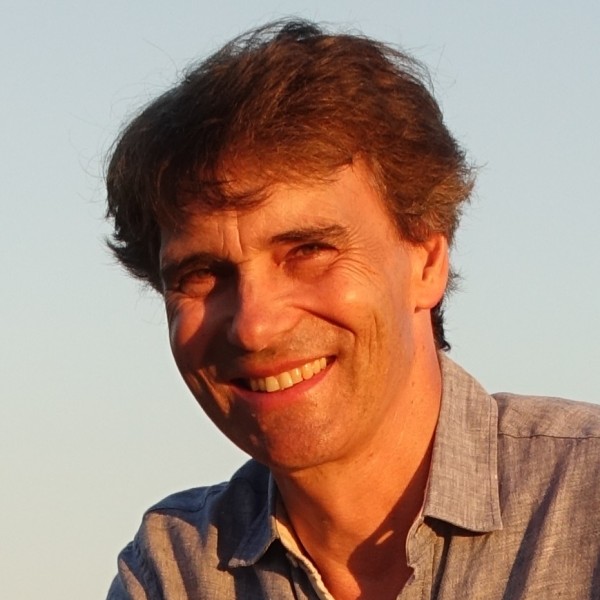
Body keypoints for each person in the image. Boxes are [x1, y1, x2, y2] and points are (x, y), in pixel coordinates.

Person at [105, 19, 600, 600]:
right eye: (202, 274)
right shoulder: (175, 568)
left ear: (426, 261)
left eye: (308, 251)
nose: (255, 326)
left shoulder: (584, 501)